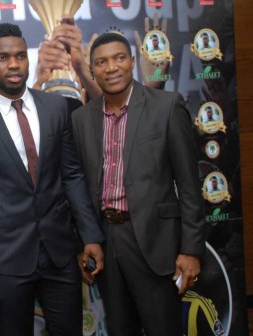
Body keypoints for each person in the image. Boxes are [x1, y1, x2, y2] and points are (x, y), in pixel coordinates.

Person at [0, 23, 104, 336]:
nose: (13, 64)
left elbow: (71, 175)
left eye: (20, 56)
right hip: (5, 260)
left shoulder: (55, 107)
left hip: (60, 253)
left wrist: (90, 235)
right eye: (3, 57)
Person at [71, 32, 205, 336]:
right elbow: (79, 187)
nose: (112, 68)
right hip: (106, 241)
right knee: (119, 328)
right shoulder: (81, 119)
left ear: (132, 62)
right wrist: (86, 240)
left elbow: (189, 185)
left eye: (119, 58)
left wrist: (191, 250)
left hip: (154, 240)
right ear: (92, 70)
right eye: (101, 62)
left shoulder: (166, 106)